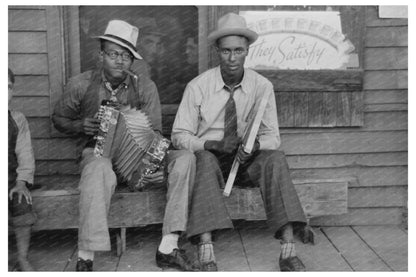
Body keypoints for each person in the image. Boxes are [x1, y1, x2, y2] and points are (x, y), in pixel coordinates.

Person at [52, 20, 196, 271]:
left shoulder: (145, 87)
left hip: (137, 160)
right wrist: (79, 126)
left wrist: (150, 162)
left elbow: (156, 133)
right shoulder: (81, 83)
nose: (120, 61)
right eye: (114, 54)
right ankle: (86, 256)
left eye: (126, 56)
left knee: (185, 159)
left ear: (132, 61)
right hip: (99, 154)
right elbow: (58, 119)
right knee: (98, 169)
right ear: (101, 55)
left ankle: (168, 246)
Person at [171, 13, 308, 271]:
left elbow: (273, 137)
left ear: (247, 51)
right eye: (226, 51)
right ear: (216, 51)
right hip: (210, 164)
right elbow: (179, 136)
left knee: (275, 159)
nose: (232, 58)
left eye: (238, 51)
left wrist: (255, 147)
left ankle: (288, 250)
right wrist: (211, 144)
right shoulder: (198, 87)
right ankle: (206, 248)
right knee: (203, 158)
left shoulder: (262, 86)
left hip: (246, 162)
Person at [8, 68, 37, 271]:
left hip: (10, 179)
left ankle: (22, 256)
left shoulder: (16, 120)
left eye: (8, 87)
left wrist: (21, 182)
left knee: (22, 203)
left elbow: (25, 154)